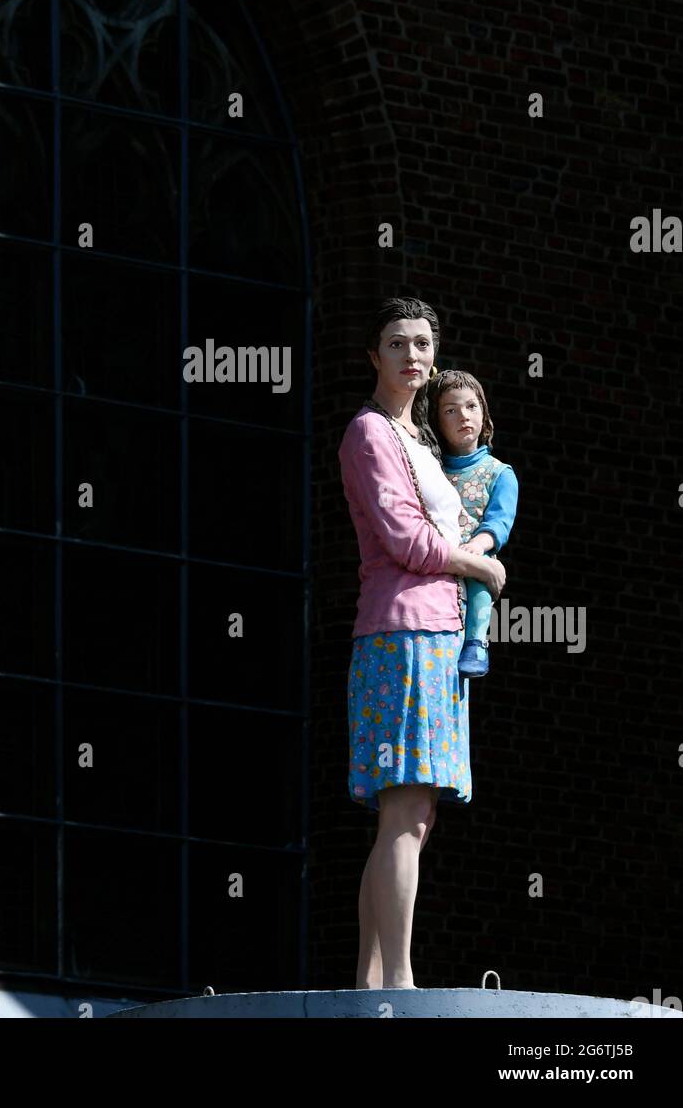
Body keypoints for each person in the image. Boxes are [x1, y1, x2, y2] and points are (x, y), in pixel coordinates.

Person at [338, 296, 506, 991]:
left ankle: (371, 979)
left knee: (414, 817)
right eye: (397, 343)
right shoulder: (369, 433)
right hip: (401, 630)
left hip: (434, 633)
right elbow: (404, 540)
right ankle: (396, 983)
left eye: (422, 343)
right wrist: (481, 566)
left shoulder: (423, 443)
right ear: (373, 355)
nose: (413, 355)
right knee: (402, 810)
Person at [429, 369, 519, 678]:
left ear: (483, 411)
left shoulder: (499, 474)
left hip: (474, 550)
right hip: (437, 552)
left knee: (481, 575)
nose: (463, 416)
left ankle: (476, 641)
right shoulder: (432, 467)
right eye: (450, 410)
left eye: (471, 406)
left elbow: (499, 521)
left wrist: (477, 546)